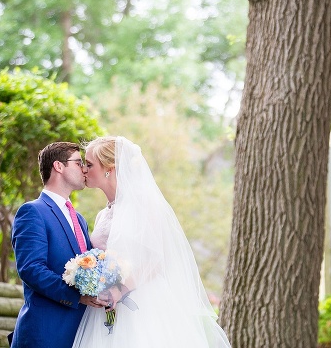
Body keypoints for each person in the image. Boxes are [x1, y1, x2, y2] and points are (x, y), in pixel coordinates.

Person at [71, 135, 231, 347]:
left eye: (89, 164)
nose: (83, 169)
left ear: (109, 168)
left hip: (142, 302)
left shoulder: (144, 206)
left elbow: (156, 259)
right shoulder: (103, 215)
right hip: (103, 307)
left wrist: (118, 290)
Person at [10, 142, 106, 348]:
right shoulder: (32, 212)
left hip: (80, 332)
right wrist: (77, 296)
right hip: (45, 332)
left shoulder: (79, 219)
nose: (84, 169)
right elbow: (31, 269)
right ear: (58, 166)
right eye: (79, 163)